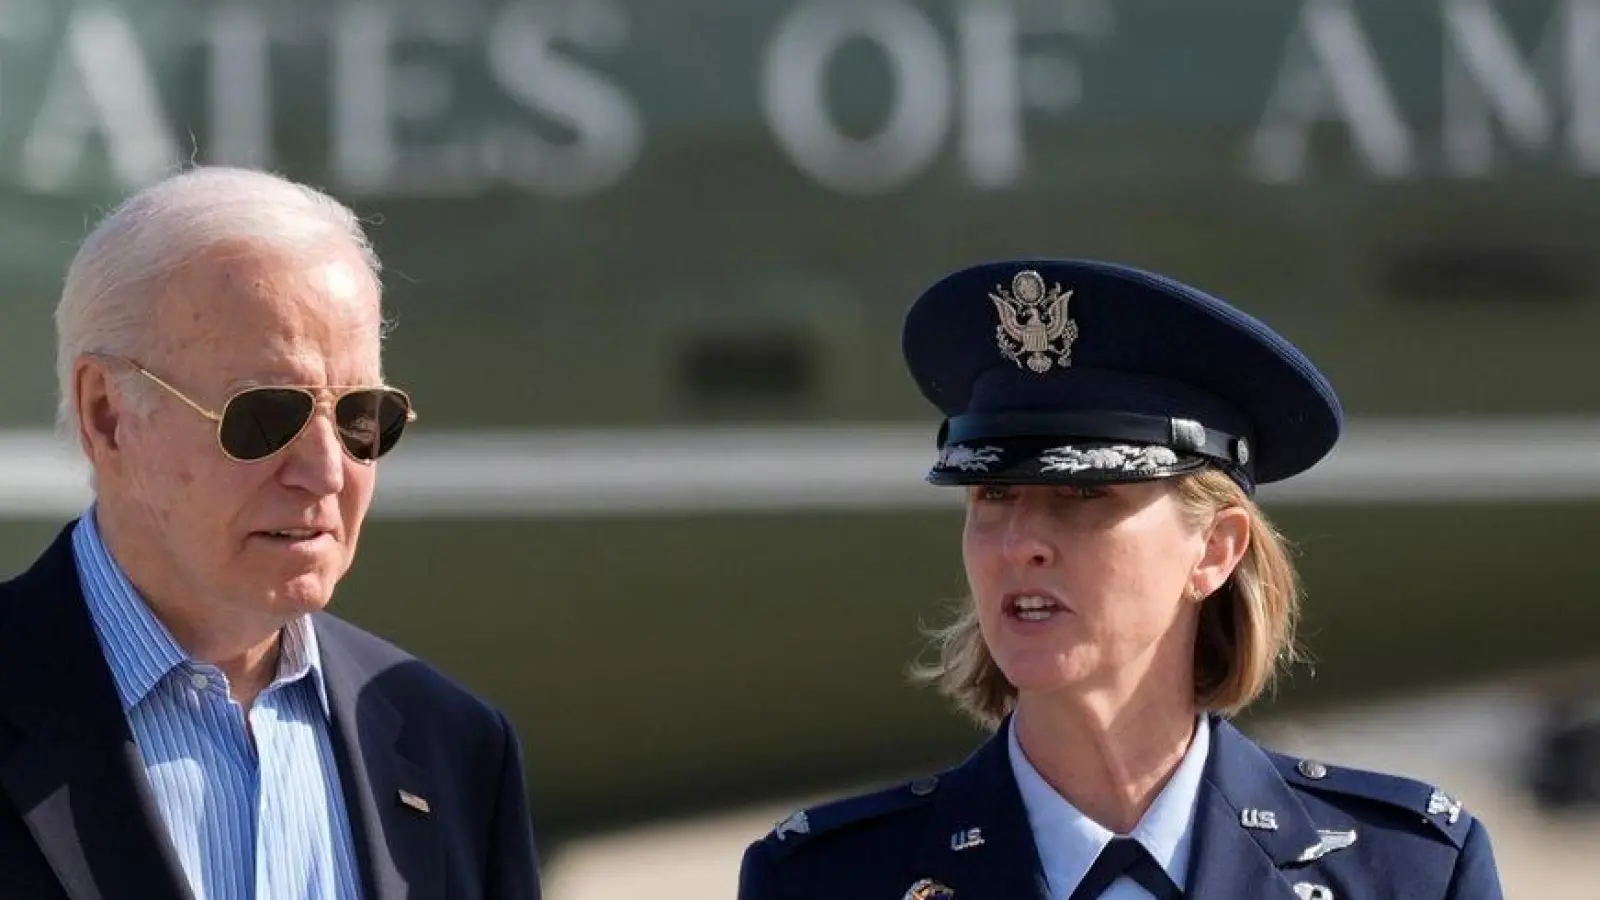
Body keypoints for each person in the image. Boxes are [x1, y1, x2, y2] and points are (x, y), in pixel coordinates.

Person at [737, 259, 1504, 900]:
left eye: (1081, 495)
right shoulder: (824, 881)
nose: (1021, 542)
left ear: (1214, 550)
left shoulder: (1409, 875)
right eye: (993, 495)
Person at [0, 166, 541, 900]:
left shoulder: (453, 749)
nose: (325, 470)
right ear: (106, 414)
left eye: (361, 417)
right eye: (265, 416)